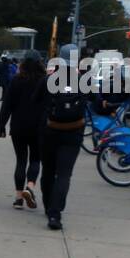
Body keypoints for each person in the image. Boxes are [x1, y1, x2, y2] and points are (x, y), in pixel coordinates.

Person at [38, 55, 87, 230]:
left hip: (51, 131)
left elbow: (36, 101)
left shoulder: (49, 80)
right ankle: (55, 213)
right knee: (64, 175)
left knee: (48, 171)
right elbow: (95, 102)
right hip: (74, 132)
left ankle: (48, 204)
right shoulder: (82, 80)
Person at [0, 54, 47, 210]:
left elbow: (7, 105)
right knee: (35, 160)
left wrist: (1, 125)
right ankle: (30, 186)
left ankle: (18, 198)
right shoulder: (44, 81)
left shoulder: (17, 80)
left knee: (21, 160)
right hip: (39, 127)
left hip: (18, 126)